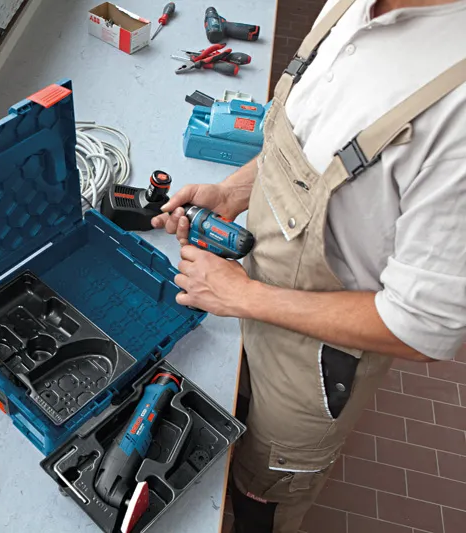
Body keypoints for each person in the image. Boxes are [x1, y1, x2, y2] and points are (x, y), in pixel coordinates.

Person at [152, 0, 466, 531]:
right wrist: (232, 191)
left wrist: (243, 297)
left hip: (312, 366)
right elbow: (300, 140)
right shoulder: (351, 6)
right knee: (238, 409)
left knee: (261, 491)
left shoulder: (456, 106)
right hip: (253, 288)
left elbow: (423, 328)